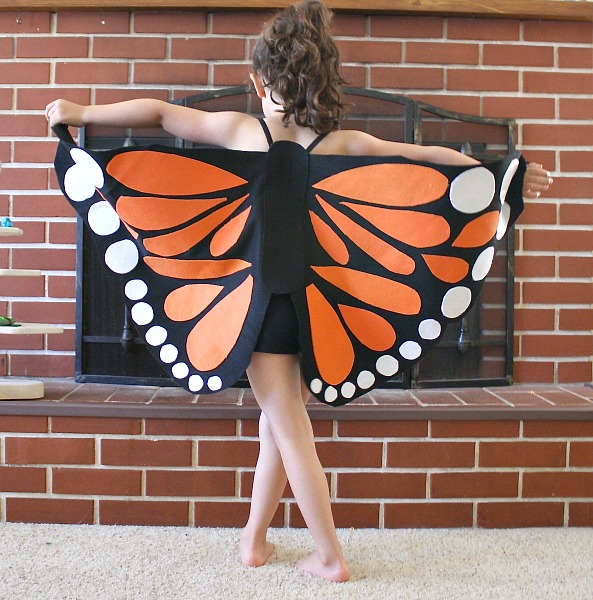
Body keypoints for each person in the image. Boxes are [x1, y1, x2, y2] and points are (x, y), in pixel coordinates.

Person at [46, 0, 552, 583]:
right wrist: (503, 171)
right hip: (316, 310)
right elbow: (429, 161)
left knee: (288, 426)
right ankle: (254, 540)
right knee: (276, 426)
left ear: (258, 80)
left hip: (255, 308)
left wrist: (83, 110)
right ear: (320, 84)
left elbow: (161, 115)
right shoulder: (337, 143)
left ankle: (331, 556)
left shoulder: (238, 129)